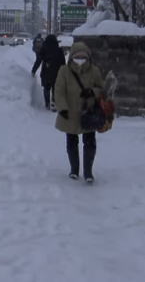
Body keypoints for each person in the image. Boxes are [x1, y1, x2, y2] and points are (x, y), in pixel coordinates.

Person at [54, 42, 104, 183]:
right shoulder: (64, 70)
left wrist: (92, 92)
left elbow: (102, 89)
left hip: (88, 113)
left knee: (90, 142)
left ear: (88, 57)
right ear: (72, 57)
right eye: (77, 56)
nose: (80, 59)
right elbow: (59, 90)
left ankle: (88, 172)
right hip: (70, 112)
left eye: (83, 56)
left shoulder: (94, 71)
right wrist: (62, 107)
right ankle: (74, 170)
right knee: (71, 142)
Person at [31, 34, 66, 110]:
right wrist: (64, 74)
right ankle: (54, 103)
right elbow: (63, 63)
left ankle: (47, 104)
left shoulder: (43, 50)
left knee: (46, 89)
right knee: (55, 88)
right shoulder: (59, 50)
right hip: (56, 73)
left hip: (46, 73)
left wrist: (33, 70)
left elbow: (38, 61)